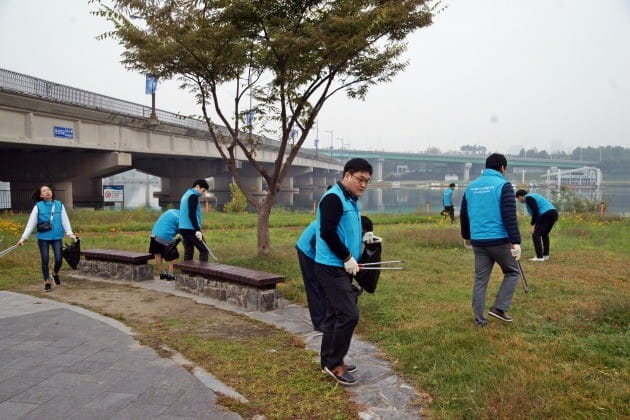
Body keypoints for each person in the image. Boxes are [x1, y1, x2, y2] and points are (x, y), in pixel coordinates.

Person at [315, 158, 373, 386]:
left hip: (342, 265)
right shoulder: (333, 198)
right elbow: (328, 233)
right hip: (331, 266)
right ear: (347, 175)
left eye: (367, 181)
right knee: (349, 314)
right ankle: (335, 365)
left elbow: (346, 229)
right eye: (360, 179)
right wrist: (347, 257)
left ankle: (328, 361)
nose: (364, 185)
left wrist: (364, 239)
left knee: (333, 315)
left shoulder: (350, 198)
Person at [460, 153, 522, 325]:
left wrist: (467, 236)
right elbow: (509, 216)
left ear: (486, 167)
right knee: (512, 272)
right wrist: (516, 242)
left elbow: (464, 215)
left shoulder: (471, 187)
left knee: (480, 280)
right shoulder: (504, 185)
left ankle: (479, 320)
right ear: (502, 168)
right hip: (499, 240)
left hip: (478, 241)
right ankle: (499, 308)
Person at [296, 214, 375, 333]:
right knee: (315, 286)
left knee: (326, 283)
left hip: (319, 252)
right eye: (362, 233)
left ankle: (328, 316)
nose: (362, 236)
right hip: (308, 250)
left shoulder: (353, 229)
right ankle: (319, 322)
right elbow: (316, 243)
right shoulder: (339, 227)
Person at [17, 185, 77, 292]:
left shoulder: (59, 205)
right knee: (45, 260)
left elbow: (65, 220)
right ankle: (47, 282)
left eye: (48, 190)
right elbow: (31, 223)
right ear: (41, 195)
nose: (47, 192)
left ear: (52, 192)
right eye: (44, 191)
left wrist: (70, 233)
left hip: (57, 236)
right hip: (43, 237)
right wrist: (24, 238)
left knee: (59, 259)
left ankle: (55, 273)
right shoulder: (38, 206)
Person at [515, 189, 558, 261]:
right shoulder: (533, 196)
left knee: (536, 235)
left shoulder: (528, 198)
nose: (519, 200)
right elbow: (536, 212)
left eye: (518, 199)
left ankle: (539, 257)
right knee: (544, 234)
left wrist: (532, 225)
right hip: (553, 213)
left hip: (546, 214)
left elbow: (535, 211)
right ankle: (545, 255)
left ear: (520, 196)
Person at [178, 179, 210, 261]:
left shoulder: (186, 195)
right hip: (191, 229)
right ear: (198, 187)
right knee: (204, 250)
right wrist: (197, 230)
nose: (203, 193)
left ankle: (188, 273)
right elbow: (191, 214)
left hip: (183, 229)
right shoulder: (193, 196)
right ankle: (203, 272)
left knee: (188, 251)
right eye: (203, 190)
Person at [150, 209, 180, 280]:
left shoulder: (170, 211)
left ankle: (162, 273)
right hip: (166, 236)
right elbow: (181, 231)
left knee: (158, 253)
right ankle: (170, 274)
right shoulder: (181, 217)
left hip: (154, 234)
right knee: (171, 254)